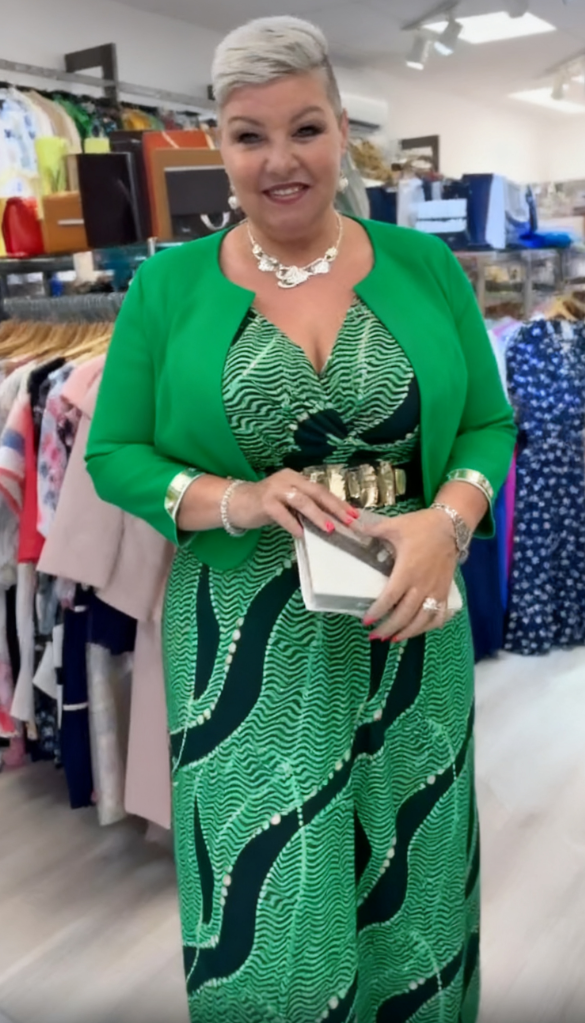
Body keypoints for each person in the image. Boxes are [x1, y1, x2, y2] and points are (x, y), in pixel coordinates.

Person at [86, 15, 516, 1023]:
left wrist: (448, 522)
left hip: (409, 617)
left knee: (414, 886)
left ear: (340, 130)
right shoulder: (167, 286)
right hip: (242, 643)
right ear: (219, 145)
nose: (280, 161)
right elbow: (115, 454)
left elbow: (488, 423)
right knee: (267, 907)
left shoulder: (423, 265)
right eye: (250, 136)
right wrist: (235, 498)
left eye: (306, 129)